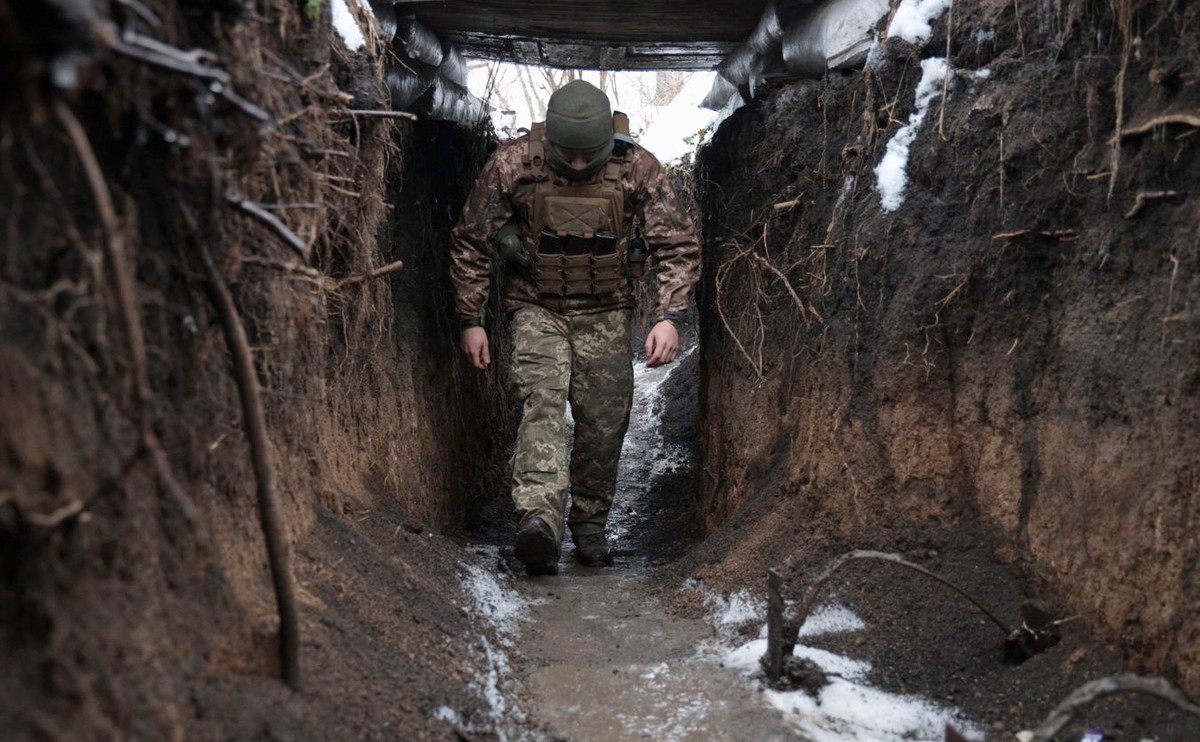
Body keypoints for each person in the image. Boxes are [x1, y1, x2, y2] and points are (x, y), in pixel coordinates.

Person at [449, 79, 700, 576]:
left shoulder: (637, 167)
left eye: (590, 156)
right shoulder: (514, 164)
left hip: (607, 312)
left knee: (604, 424)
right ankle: (539, 524)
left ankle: (590, 526)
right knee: (541, 403)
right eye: (570, 155)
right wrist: (471, 319)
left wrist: (670, 317)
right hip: (536, 308)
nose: (579, 166)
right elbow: (471, 242)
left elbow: (676, 244)